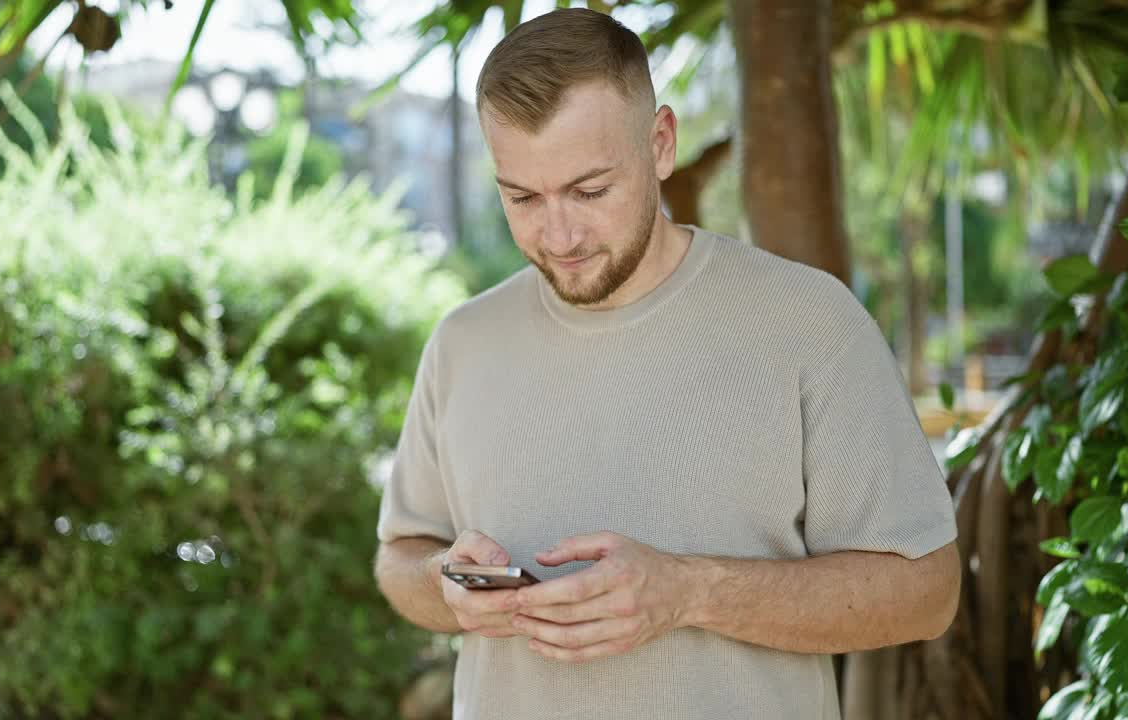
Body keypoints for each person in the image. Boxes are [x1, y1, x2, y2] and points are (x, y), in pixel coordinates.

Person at [373, 8, 961, 720]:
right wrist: (449, 582)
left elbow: (927, 591)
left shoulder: (809, 322)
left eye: (590, 191)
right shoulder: (462, 344)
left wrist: (690, 592)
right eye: (522, 196)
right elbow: (400, 558)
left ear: (660, 144)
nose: (558, 235)